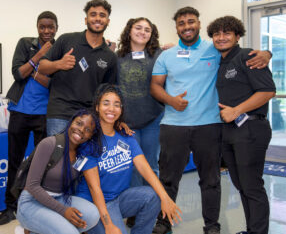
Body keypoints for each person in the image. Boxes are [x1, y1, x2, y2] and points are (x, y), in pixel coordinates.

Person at [150, 7, 272, 234]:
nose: (187, 26)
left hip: (209, 126)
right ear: (176, 27)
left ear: (198, 24)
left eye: (191, 21)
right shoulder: (166, 55)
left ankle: (212, 226)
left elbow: (245, 56)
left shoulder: (214, 49)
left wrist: (266, 53)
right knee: (168, 179)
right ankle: (164, 221)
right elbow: (155, 86)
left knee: (211, 181)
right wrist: (171, 100)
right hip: (174, 125)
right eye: (181, 23)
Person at [76, 84, 181, 234]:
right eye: (106, 103)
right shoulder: (90, 140)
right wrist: (108, 225)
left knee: (154, 196)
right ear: (97, 107)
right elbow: (95, 188)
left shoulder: (126, 136)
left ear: (121, 109)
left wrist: (165, 197)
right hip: (95, 204)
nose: (111, 109)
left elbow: (145, 168)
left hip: (118, 199)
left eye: (116, 104)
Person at [207, 16, 276, 234]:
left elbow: (267, 91)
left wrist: (237, 110)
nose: (221, 37)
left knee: (252, 186)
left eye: (227, 33)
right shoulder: (218, 61)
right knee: (241, 186)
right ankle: (253, 230)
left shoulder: (247, 56)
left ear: (238, 36)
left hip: (251, 129)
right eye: (217, 34)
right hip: (228, 131)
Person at [1, 11, 58, 225]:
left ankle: (38, 206)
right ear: (37, 27)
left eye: (50, 27)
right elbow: (17, 73)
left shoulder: (59, 49)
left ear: (56, 28)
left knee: (42, 163)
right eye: (42, 27)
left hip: (45, 114)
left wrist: (32, 70)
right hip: (20, 111)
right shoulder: (25, 44)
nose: (46, 31)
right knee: (15, 161)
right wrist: (39, 56)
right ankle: (10, 207)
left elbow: (55, 83)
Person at [39, 0, 117, 136]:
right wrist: (59, 64)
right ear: (86, 20)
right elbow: (42, 67)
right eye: (93, 15)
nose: (97, 18)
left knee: (83, 157)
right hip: (60, 112)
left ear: (108, 21)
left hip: (88, 116)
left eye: (102, 15)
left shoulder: (110, 56)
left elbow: (107, 91)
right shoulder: (66, 40)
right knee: (58, 156)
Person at [16, 109, 102, 234]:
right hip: (31, 202)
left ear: (91, 136)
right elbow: (32, 186)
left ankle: (43, 229)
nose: (82, 130)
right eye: (79, 123)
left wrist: (120, 125)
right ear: (71, 122)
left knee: (93, 214)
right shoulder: (50, 143)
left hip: (59, 198)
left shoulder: (82, 154)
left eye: (88, 130)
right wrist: (63, 211)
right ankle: (32, 226)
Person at [117, 18, 164, 187]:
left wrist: (175, 48)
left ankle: (153, 207)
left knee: (151, 166)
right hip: (128, 123)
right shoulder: (117, 57)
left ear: (151, 35)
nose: (142, 32)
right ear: (129, 30)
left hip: (154, 119)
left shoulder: (160, 55)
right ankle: (136, 210)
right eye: (138, 28)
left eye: (147, 30)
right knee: (133, 167)